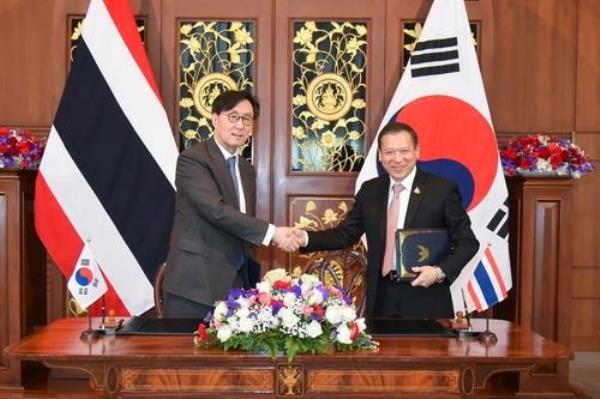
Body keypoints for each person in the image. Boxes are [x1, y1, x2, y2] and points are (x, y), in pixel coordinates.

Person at [297, 122, 479, 318]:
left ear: (417, 151)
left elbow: (468, 243)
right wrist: (304, 238)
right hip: (380, 297)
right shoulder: (370, 190)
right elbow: (345, 234)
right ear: (380, 155)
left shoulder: (441, 191)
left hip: (426, 298)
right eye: (390, 152)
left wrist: (438, 272)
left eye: (404, 151)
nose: (397, 159)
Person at [162, 90, 299, 318]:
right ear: (215, 119)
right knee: (186, 353)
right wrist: (273, 233)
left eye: (247, 119)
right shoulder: (193, 160)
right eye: (233, 117)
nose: (240, 125)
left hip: (236, 286)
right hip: (195, 286)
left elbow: (240, 223)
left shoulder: (246, 169)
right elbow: (216, 211)